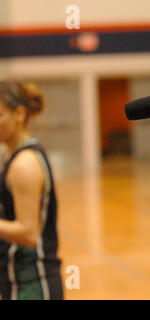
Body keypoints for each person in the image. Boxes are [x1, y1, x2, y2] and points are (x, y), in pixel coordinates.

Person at [0, 81, 63, 300]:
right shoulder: (9, 156)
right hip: (12, 278)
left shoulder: (24, 163)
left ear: (19, 113)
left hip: (33, 282)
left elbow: (28, 233)